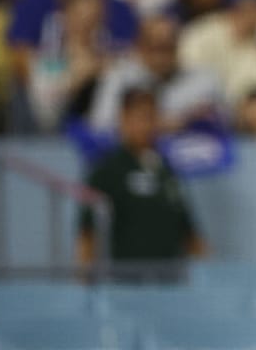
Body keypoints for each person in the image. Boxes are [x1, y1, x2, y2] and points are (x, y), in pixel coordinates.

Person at [77, 86, 205, 282]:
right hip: (126, 282)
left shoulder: (166, 170)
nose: (146, 125)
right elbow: (87, 233)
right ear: (123, 120)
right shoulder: (107, 171)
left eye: (151, 117)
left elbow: (188, 231)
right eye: (139, 118)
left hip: (170, 283)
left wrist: (210, 273)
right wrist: (84, 278)